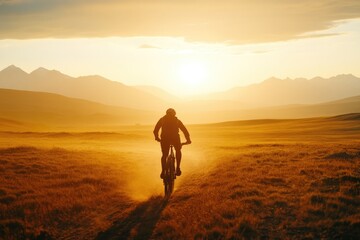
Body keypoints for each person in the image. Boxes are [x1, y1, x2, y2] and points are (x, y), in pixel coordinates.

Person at [153, 108, 191, 179]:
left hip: (164, 139)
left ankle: (163, 171)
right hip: (175, 139)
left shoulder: (162, 120)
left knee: (164, 155)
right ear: (175, 114)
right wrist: (188, 140)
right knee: (178, 150)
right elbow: (185, 131)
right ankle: (178, 168)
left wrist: (157, 138)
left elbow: (155, 130)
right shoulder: (177, 121)